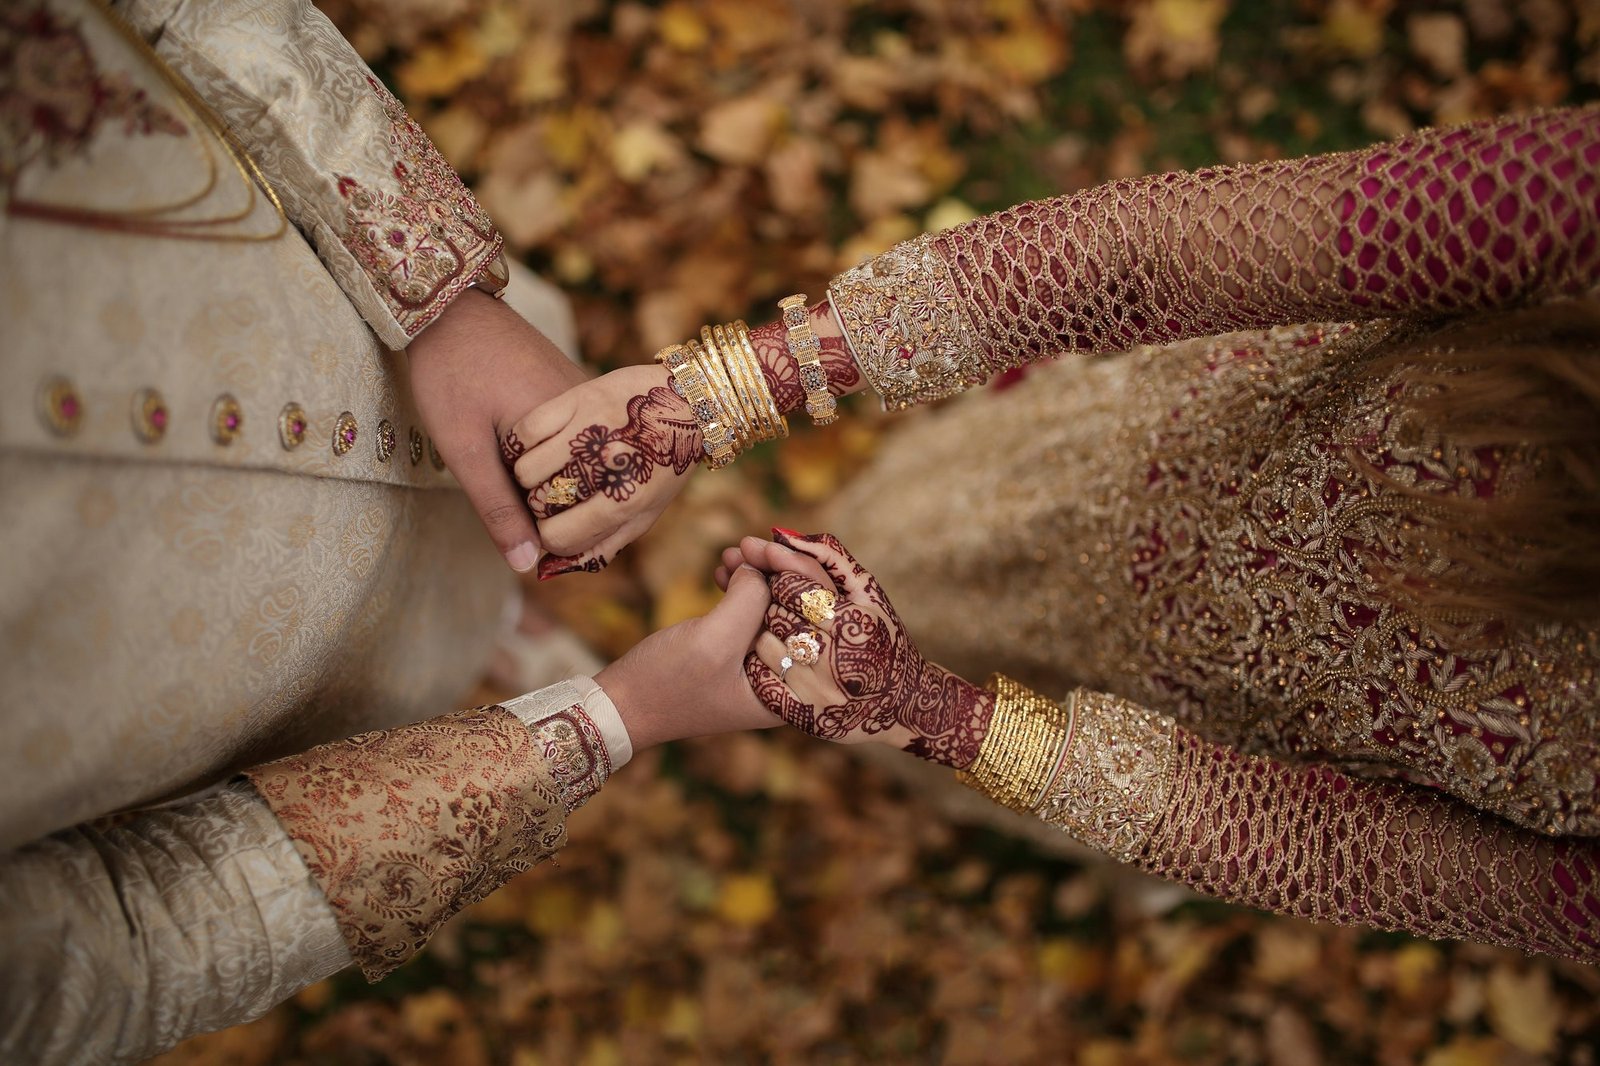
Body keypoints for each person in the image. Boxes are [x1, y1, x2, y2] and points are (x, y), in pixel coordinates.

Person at [509, 103, 1600, 959]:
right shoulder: (1582, 210)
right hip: (1107, 469)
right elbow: (1151, 259)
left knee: (915, 702)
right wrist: (727, 389)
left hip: (1185, 746)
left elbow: (1358, 853)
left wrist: (936, 714)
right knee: (906, 539)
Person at [0, 1, 770, 1061]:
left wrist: (443, 297)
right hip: (241, 691)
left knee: (510, 479)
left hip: (319, 298)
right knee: (395, 677)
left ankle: (491, 602)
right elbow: (119, 946)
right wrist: (604, 718)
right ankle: (470, 660)